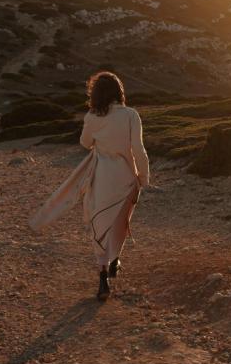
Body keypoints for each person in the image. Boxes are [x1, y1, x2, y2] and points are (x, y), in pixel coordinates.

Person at [29, 71, 150, 301]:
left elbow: (85, 143)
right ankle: (115, 259)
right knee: (120, 221)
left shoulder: (92, 116)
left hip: (102, 177)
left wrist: (98, 135)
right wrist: (143, 177)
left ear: (95, 94)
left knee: (100, 224)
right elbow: (139, 150)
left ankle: (103, 276)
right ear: (119, 91)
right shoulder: (131, 115)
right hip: (126, 178)